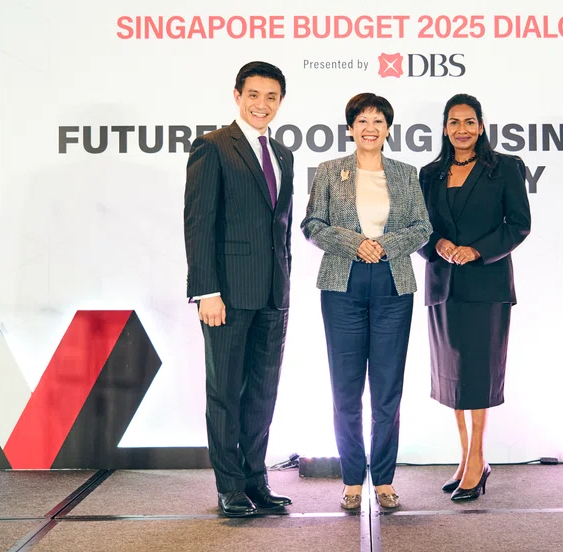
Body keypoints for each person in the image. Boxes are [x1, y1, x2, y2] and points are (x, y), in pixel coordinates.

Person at [301, 93, 432, 511]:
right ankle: (352, 479)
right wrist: (357, 244)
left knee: (387, 390)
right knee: (345, 389)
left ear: (388, 129)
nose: (370, 127)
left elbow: (422, 227)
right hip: (343, 285)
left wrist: (385, 245)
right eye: (362, 120)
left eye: (378, 120)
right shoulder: (329, 171)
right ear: (351, 127)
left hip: (394, 285)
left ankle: (385, 480)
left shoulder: (406, 174)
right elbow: (312, 224)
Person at [183, 61, 295, 517]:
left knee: (262, 394)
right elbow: (199, 222)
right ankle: (229, 486)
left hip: (273, 294)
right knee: (225, 392)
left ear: (280, 101)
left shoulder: (284, 153)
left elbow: (280, 227)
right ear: (237, 95)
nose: (262, 104)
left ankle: (256, 480)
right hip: (226, 296)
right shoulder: (213, 147)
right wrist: (206, 290)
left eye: (271, 96)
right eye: (254, 94)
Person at [417, 93, 531, 502]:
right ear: (445, 128)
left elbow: (518, 224)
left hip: (486, 286)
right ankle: (466, 457)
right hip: (443, 286)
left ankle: (479, 457)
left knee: (478, 377)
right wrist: (439, 245)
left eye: (469, 122)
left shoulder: (505, 169)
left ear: (481, 126)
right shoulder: (429, 174)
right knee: (452, 378)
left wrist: (477, 250)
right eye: (453, 122)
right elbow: (418, 228)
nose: (461, 129)